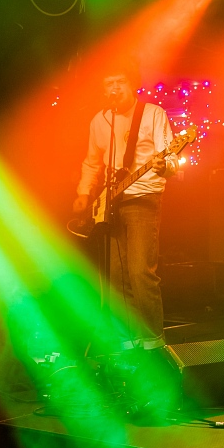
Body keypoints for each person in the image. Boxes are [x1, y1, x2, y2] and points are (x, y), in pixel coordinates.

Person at [72, 59, 178, 354]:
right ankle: (128, 343)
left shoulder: (152, 114)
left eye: (120, 82)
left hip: (143, 197)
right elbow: (92, 162)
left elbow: (170, 156)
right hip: (110, 203)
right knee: (117, 277)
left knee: (140, 272)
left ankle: (154, 343)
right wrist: (84, 192)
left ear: (132, 84)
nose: (114, 88)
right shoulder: (100, 120)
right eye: (109, 83)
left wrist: (165, 166)